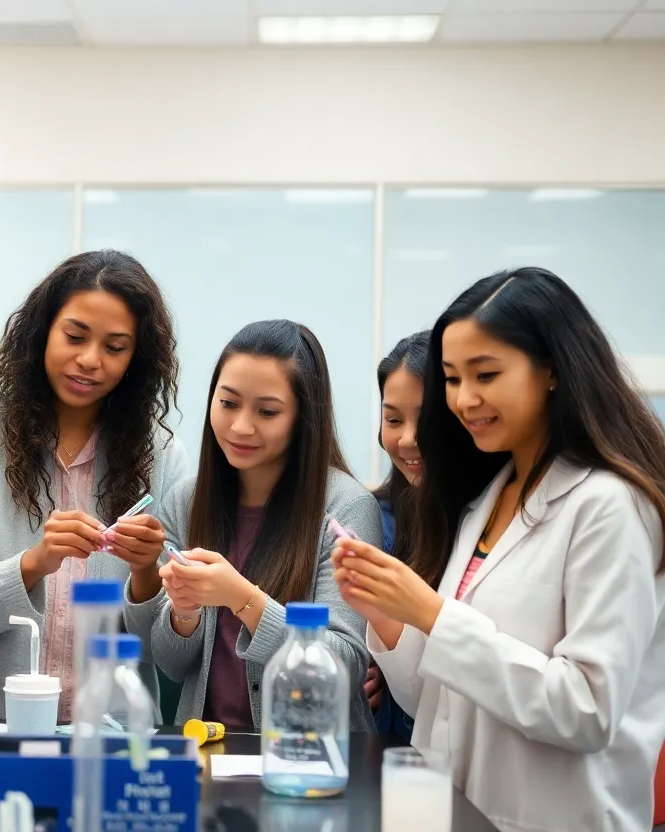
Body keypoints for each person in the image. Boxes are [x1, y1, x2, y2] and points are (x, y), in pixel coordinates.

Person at [333, 267, 665, 832]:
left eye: (486, 374)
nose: (464, 399)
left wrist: (432, 614)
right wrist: (390, 617)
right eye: (452, 378)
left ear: (554, 369)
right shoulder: (490, 498)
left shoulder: (610, 506)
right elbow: (433, 697)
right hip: (453, 811)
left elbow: (587, 710)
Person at [0, 250, 188, 720]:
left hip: (111, 734)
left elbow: (166, 651)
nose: (90, 361)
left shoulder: (162, 455)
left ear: (137, 358)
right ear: (42, 330)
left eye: (115, 347)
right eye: (74, 336)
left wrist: (148, 573)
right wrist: (32, 564)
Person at [148, 320, 381, 732]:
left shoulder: (345, 508)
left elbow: (342, 666)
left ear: (303, 417)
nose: (241, 426)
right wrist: (183, 613)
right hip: (206, 752)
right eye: (228, 403)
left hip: (309, 760)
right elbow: (170, 663)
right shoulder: (185, 502)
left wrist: (242, 598)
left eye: (267, 412)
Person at [368, 330, 429, 740]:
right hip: (381, 752)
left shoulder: (485, 522)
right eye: (393, 420)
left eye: (426, 421)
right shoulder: (373, 516)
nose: (408, 439)